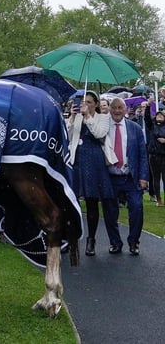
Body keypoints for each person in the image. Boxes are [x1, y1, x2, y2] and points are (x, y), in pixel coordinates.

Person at [67, 90, 112, 257]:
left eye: (89, 102)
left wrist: (88, 117)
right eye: (83, 101)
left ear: (96, 104)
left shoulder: (103, 118)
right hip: (77, 159)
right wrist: (72, 118)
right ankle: (71, 237)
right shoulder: (77, 116)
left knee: (92, 201)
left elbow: (99, 133)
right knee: (72, 201)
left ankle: (91, 239)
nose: (85, 104)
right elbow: (68, 136)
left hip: (94, 161)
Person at [103, 97, 149, 255]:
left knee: (137, 208)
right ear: (110, 109)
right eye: (114, 107)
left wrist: (144, 177)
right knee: (109, 212)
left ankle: (134, 242)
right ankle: (115, 243)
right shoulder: (103, 128)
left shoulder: (135, 128)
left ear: (126, 109)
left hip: (131, 177)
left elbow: (143, 154)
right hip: (110, 177)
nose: (116, 111)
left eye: (119, 108)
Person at [146, 107, 165, 207]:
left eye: (161, 115)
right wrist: (148, 107)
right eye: (158, 115)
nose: (159, 116)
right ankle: (158, 199)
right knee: (156, 178)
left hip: (164, 155)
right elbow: (147, 118)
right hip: (154, 155)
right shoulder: (152, 126)